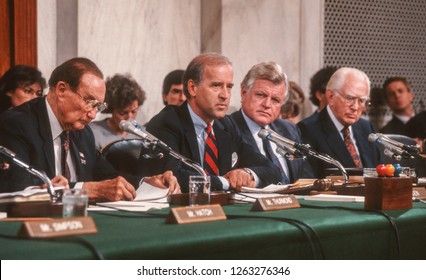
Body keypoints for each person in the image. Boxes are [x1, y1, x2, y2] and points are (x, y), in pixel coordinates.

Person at [0, 57, 179, 200]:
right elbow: (18, 187)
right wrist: (85, 190)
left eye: (98, 107)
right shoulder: (16, 124)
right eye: (90, 102)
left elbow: (109, 179)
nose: (93, 115)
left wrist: (147, 182)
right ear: (62, 90)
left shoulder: (83, 133)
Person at [139, 53, 281, 192]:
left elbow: (272, 169)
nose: (225, 95)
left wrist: (247, 173)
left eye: (229, 87)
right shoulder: (166, 123)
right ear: (192, 88)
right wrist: (225, 182)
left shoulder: (225, 125)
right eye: (216, 85)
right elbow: (170, 177)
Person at [230, 62, 313, 184]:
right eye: (261, 95)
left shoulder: (289, 130)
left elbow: (306, 179)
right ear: (244, 92)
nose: (267, 105)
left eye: (275, 100)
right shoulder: (227, 129)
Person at [297, 67, 382, 178]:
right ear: (331, 97)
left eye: (362, 101)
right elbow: (309, 182)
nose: (355, 107)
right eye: (349, 98)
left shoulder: (366, 128)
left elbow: (380, 172)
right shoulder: (307, 130)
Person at [89, 73, 146, 150]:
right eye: (123, 113)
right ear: (111, 109)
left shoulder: (142, 134)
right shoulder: (92, 132)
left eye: (134, 112)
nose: (129, 117)